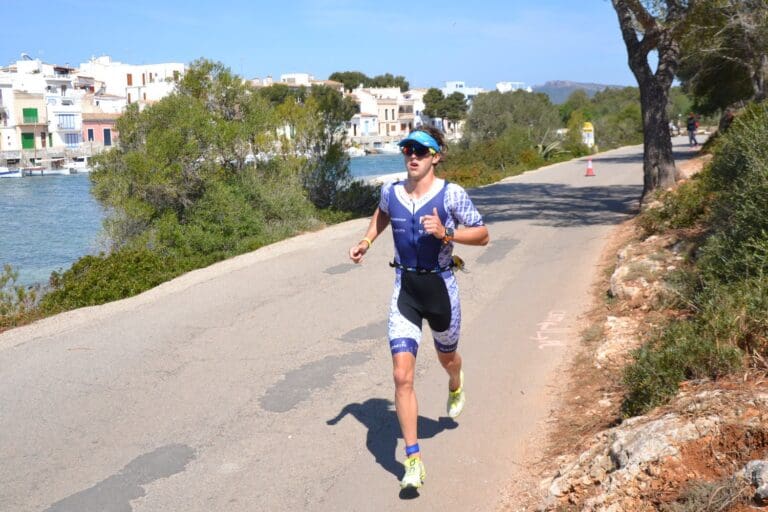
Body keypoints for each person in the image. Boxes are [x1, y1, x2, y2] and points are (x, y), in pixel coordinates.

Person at [348, 126, 490, 489]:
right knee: (401, 376)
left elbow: (483, 235)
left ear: (436, 156)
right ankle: (413, 460)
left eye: (421, 151)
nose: (412, 156)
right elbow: (382, 214)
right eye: (407, 149)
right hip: (405, 290)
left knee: (447, 357)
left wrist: (446, 234)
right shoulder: (391, 191)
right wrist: (366, 240)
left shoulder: (452, 195)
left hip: (440, 288)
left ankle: (456, 381)